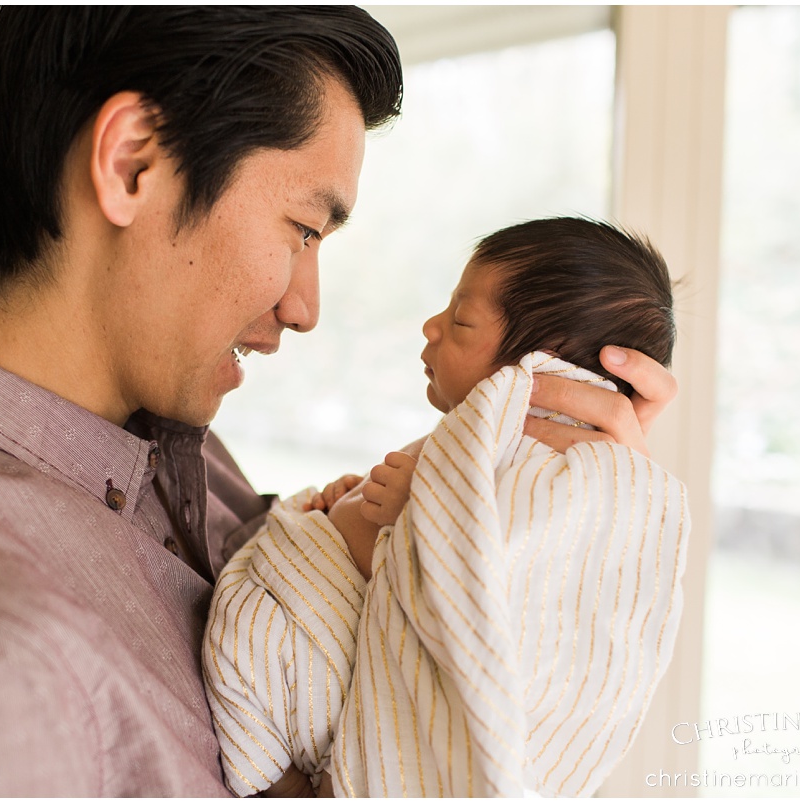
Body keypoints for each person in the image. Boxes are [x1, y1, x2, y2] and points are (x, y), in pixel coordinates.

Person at [0, 8, 676, 797]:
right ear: (133, 163)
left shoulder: (164, 440)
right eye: (303, 229)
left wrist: (555, 517)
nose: (305, 306)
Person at [203, 217, 691, 796]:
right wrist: (351, 501)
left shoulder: (553, 482)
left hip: (300, 663)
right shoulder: (474, 447)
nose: (432, 326)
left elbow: (495, 597)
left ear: (541, 367)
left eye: (461, 321)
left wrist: (423, 512)